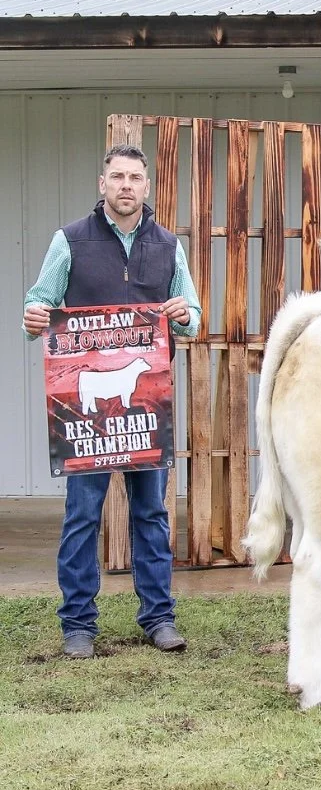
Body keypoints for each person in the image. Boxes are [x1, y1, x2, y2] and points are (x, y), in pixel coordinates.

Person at [22, 143, 202, 659]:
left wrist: (183, 314)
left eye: (135, 178)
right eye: (117, 176)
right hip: (83, 415)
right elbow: (38, 301)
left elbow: (192, 315)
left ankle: (160, 618)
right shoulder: (70, 240)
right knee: (82, 515)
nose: (126, 185)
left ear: (147, 187)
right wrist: (33, 315)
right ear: (103, 184)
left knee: (151, 514)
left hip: (148, 409)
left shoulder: (169, 245)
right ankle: (77, 625)